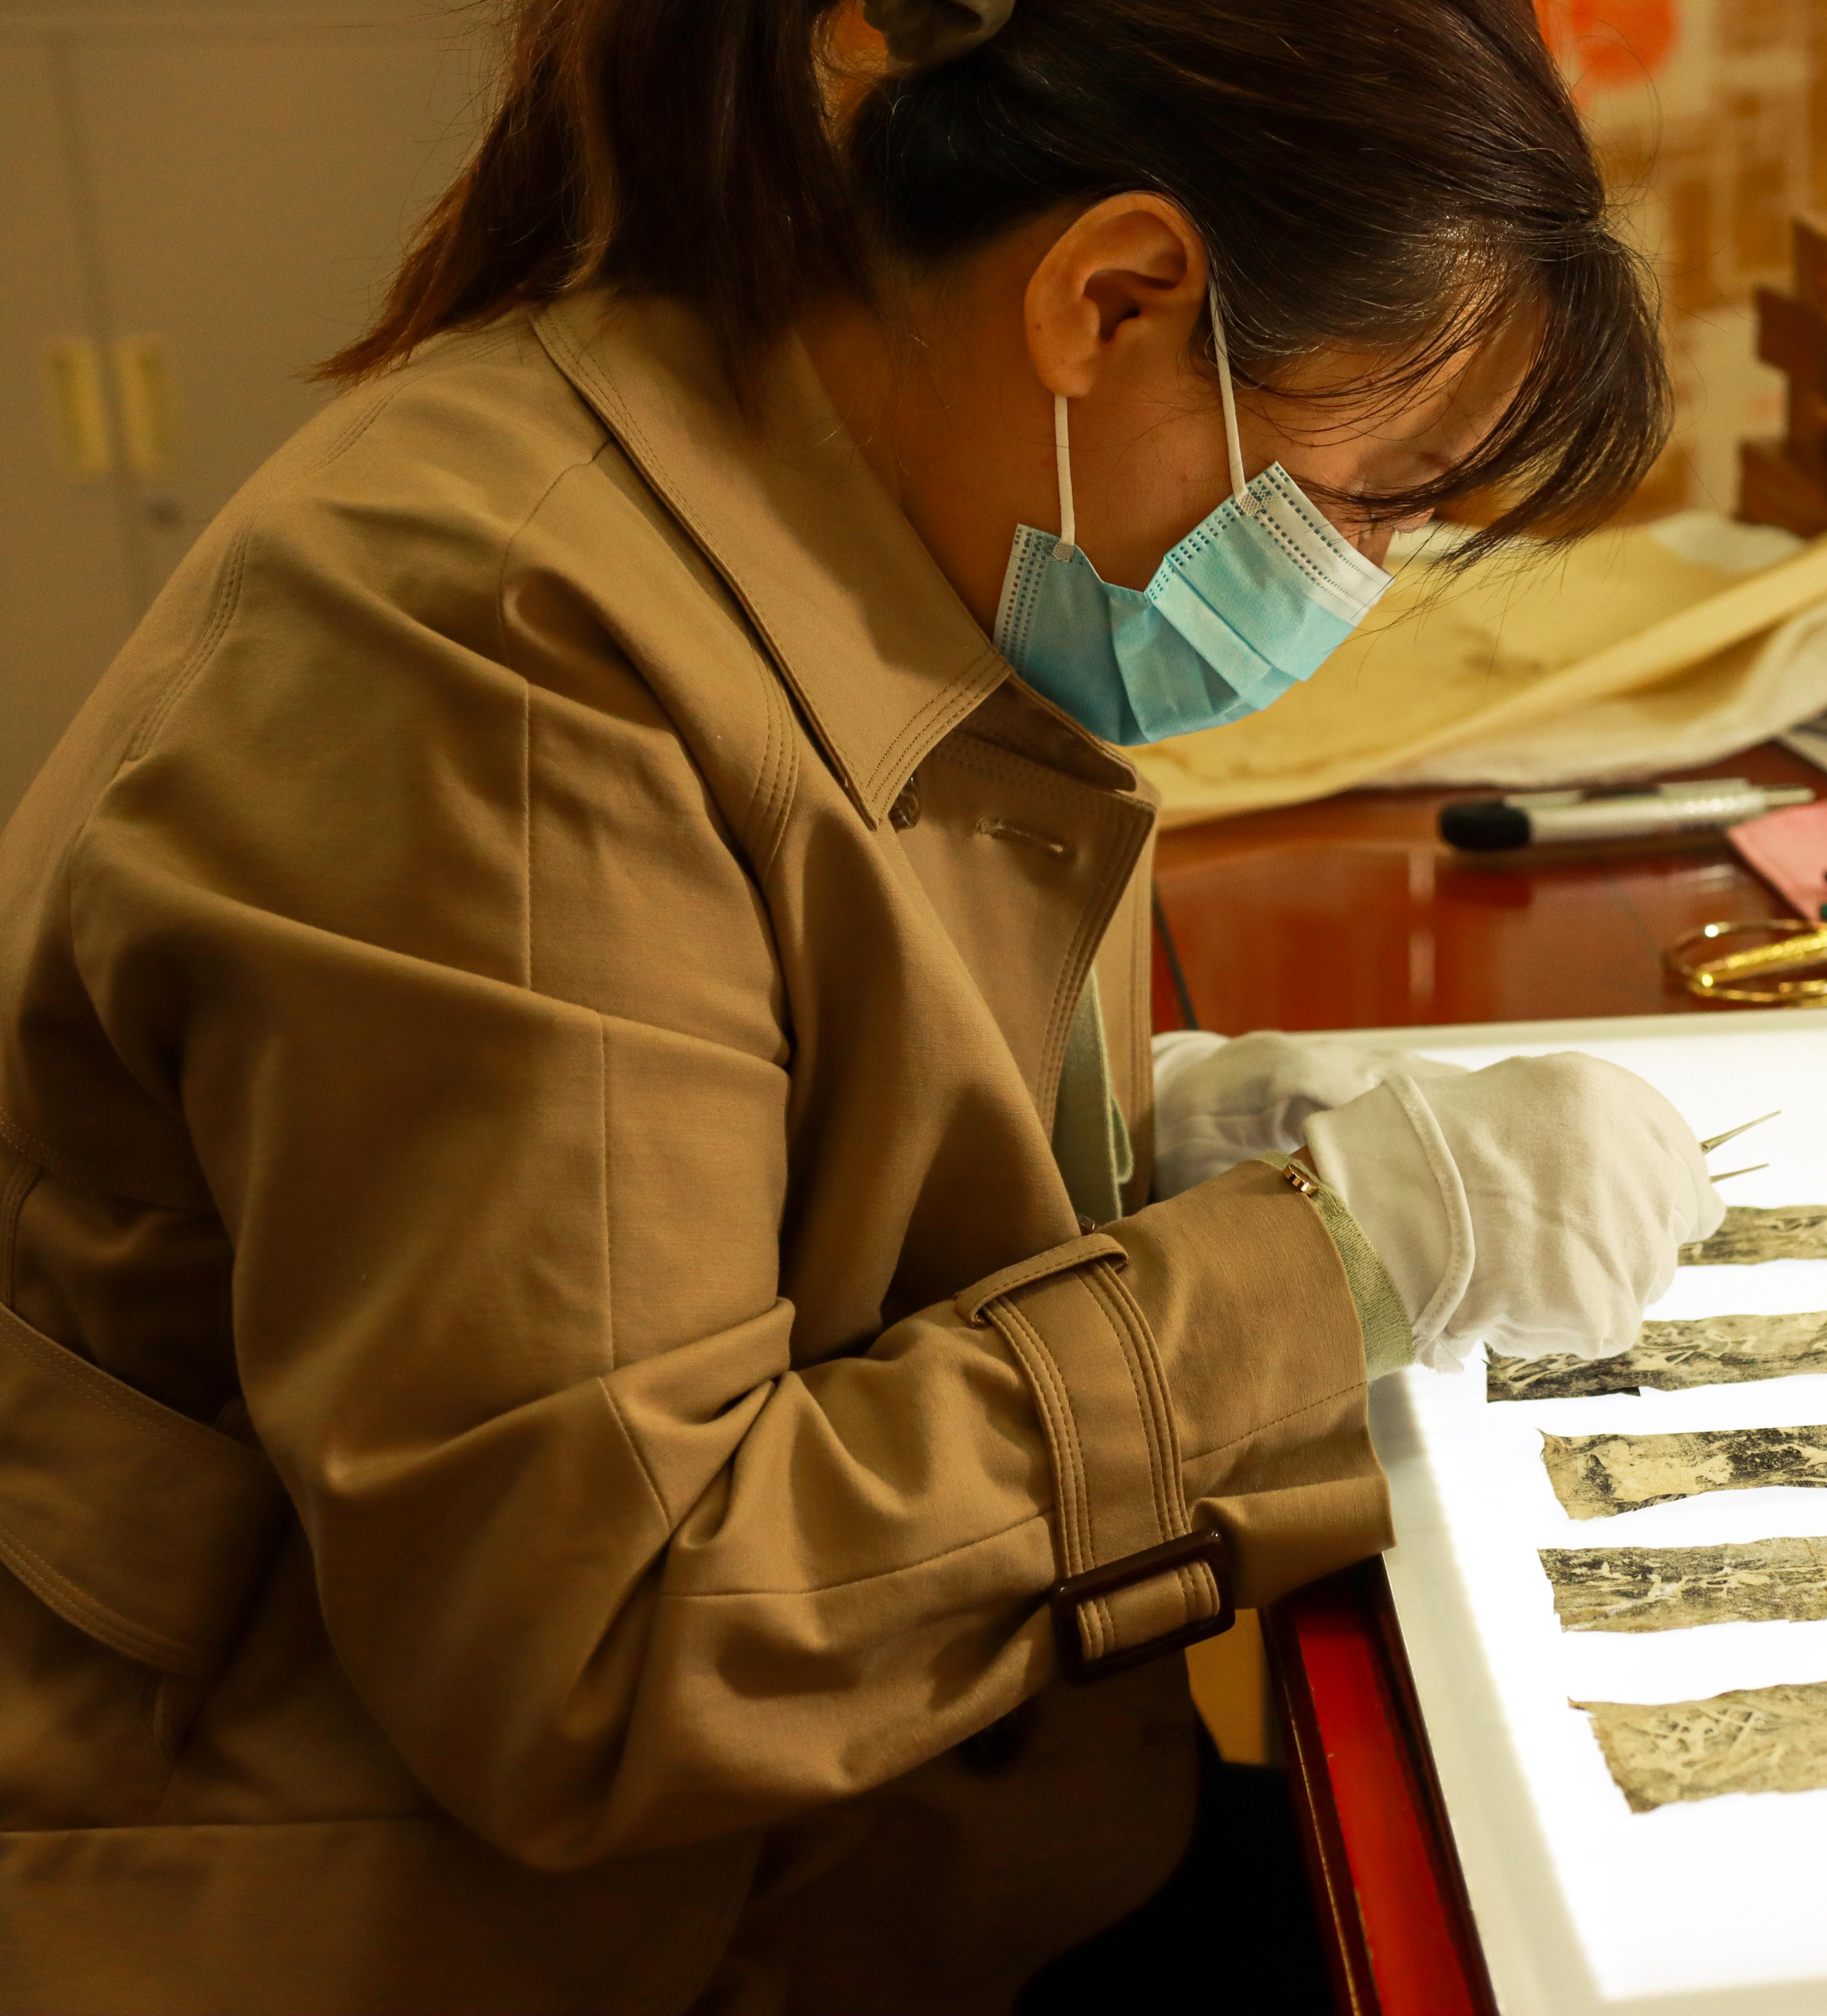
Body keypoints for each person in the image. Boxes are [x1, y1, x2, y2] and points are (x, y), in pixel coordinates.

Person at [0, 2, 1723, 2009]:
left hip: (906, 1847)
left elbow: (753, 1119)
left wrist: (1154, 1141)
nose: (1357, 580)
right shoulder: (505, 654)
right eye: (1366, 498)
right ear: (1116, 297)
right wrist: (1318, 1280)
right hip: (490, 1923)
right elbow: (610, 1644)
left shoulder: (878, 506)